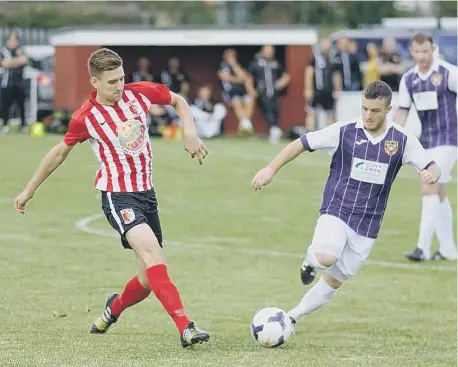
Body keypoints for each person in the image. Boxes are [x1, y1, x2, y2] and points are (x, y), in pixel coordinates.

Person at [14, 48, 210, 348]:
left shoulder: (139, 94)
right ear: (94, 82)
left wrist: (190, 133)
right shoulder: (86, 117)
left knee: (146, 282)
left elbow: (179, 101)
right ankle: (186, 328)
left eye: (121, 79)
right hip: (118, 197)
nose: (119, 86)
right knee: (154, 255)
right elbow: (58, 153)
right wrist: (29, 190)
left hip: (147, 194)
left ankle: (112, 309)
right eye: (111, 82)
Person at [251, 81, 440, 325]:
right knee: (327, 256)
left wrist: (431, 174)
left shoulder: (402, 140)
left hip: (368, 223)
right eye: (364, 109)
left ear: (388, 110)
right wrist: (270, 169)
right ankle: (311, 260)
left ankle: (291, 317)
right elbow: (302, 143)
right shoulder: (344, 131)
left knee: (333, 282)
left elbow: (431, 166)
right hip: (337, 209)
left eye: (375, 111)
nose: (368, 115)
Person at [394, 32, 457, 262]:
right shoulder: (409, 79)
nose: (421, 56)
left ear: (433, 50)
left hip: (449, 140)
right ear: (412, 52)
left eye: (425, 51)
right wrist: (392, 133)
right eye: (417, 51)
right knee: (438, 193)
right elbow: (402, 110)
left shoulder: (448, 73)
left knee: (428, 183)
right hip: (426, 142)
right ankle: (449, 250)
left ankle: (422, 248)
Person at [248, 45, 290, 143]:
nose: (270, 53)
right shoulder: (257, 63)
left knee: (275, 111)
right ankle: (274, 130)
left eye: (271, 51)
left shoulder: (275, 63)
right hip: (262, 91)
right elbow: (249, 77)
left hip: (274, 91)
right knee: (268, 111)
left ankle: (274, 130)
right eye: (268, 51)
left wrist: (280, 83)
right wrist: (251, 90)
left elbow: (285, 76)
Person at [304, 38, 340, 131]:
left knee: (331, 114)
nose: (326, 46)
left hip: (329, 91)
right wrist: (308, 89)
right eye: (324, 44)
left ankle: (332, 136)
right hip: (317, 90)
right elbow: (309, 72)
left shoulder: (333, 58)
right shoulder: (315, 57)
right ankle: (309, 134)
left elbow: (336, 75)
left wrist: (337, 90)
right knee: (312, 112)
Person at [0, 31, 29, 134]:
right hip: (6, 83)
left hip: (19, 83)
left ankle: (23, 125)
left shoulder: (20, 51)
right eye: (11, 40)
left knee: (21, 105)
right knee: (5, 105)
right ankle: (5, 125)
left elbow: (24, 60)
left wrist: (11, 62)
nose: (13, 42)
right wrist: (16, 62)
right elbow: (4, 63)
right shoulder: (3, 51)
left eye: (15, 40)